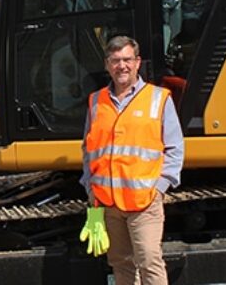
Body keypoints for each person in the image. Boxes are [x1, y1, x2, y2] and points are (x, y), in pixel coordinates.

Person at [80, 35, 184, 285]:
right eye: (115, 60)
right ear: (107, 65)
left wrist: (160, 187)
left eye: (127, 59)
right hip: (108, 202)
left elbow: (175, 148)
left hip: (144, 201)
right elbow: (88, 148)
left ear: (137, 63)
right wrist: (90, 186)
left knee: (149, 260)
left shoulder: (158, 98)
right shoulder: (96, 102)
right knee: (121, 263)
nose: (121, 66)